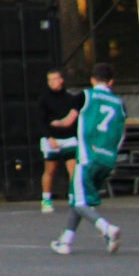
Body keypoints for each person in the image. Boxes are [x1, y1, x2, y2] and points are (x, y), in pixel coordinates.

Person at [51, 63, 125, 257]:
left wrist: (56, 124)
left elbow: (68, 121)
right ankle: (65, 241)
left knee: (78, 200)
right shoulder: (119, 104)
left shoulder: (85, 96)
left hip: (88, 157)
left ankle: (107, 228)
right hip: (107, 159)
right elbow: (120, 132)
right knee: (80, 200)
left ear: (92, 80)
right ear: (111, 82)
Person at [35, 69, 77, 213]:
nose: (52, 82)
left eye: (55, 79)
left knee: (73, 168)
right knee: (50, 170)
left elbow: (75, 120)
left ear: (61, 80)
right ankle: (46, 199)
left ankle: (74, 196)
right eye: (50, 80)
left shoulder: (70, 99)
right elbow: (40, 121)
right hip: (51, 139)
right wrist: (49, 137)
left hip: (69, 138)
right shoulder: (44, 99)